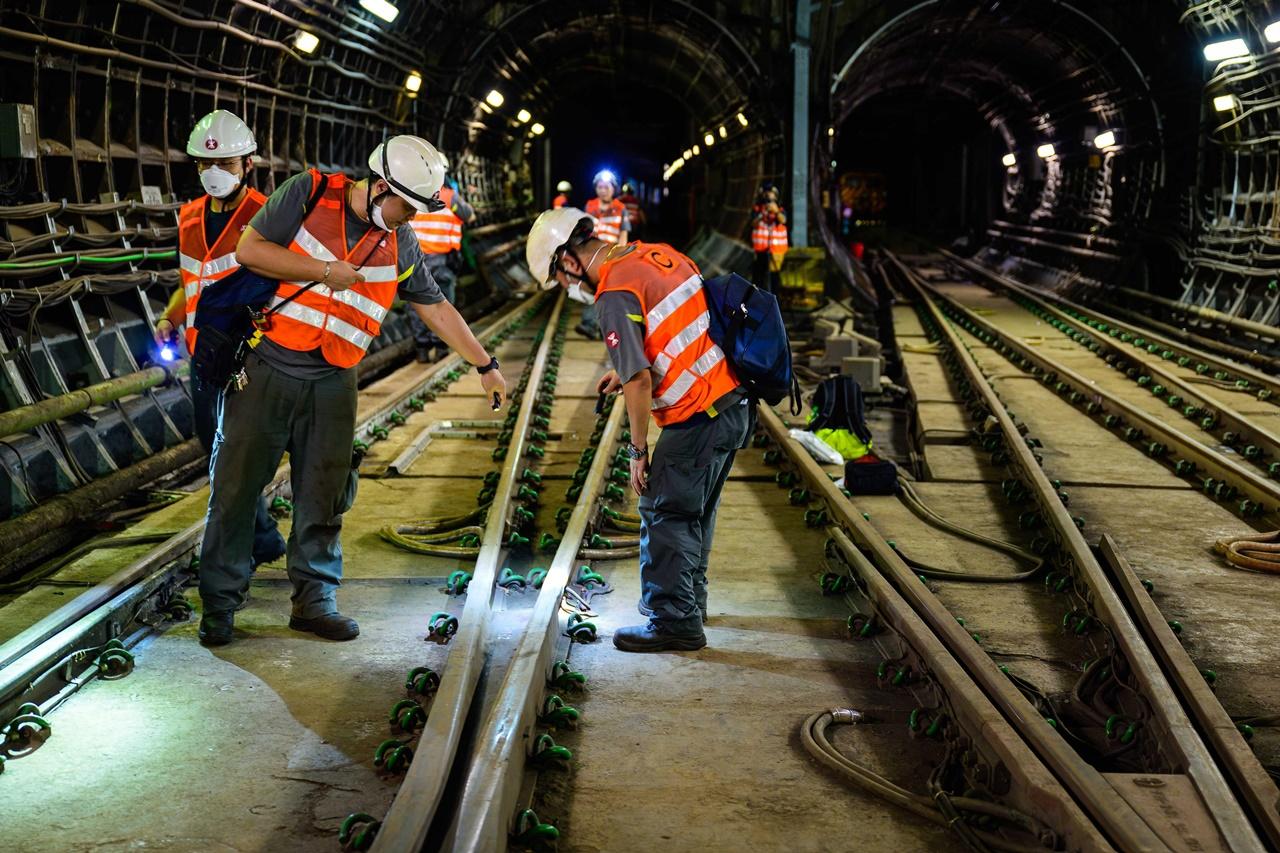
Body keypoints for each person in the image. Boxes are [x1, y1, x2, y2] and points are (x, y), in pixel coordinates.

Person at [196, 135, 507, 646]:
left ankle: (315, 600)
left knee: (324, 493)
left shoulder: (400, 240)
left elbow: (433, 305)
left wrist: (485, 364)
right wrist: (323, 271)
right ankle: (220, 605)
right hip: (268, 365)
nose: (409, 217)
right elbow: (250, 249)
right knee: (235, 489)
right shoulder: (308, 193)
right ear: (380, 186)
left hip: (334, 379)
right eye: (406, 206)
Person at [525, 208, 749, 653]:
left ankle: (674, 622)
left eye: (562, 279)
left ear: (569, 261)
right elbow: (685, 330)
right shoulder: (655, 254)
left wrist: (638, 449)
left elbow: (639, 381)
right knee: (694, 513)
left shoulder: (612, 294)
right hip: (734, 404)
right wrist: (632, 371)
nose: (568, 289)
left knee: (664, 512)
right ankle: (691, 604)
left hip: (697, 417)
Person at [154, 109, 286, 580]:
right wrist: (171, 316)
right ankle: (264, 537)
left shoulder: (268, 215)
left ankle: (245, 552)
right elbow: (191, 280)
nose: (215, 173)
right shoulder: (188, 216)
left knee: (235, 457)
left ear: (248, 163)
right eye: (206, 164)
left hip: (249, 354)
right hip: (201, 356)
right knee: (214, 447)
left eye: (227, 164)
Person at [408, 151, 476, 362]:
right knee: (442, 304)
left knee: (417, 304)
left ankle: (421, 349)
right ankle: (440, 348)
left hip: (415, 261)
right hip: (442, 261)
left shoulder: (412, 194)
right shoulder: (449, 197)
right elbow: (470, 216)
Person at [579, 170, 630, 338]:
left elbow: (623, 233)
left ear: (613, 188)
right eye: (600, 187)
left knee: (609, 293)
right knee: (591, 290)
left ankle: (605, 328)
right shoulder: (590, 206)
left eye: (606, 187)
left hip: (611, 255)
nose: (603, 190)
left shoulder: (621, 209)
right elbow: (583, 231)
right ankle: (589, 324)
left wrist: (621, 256)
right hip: (592, 256)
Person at [750, 182, 788, 293]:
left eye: (770, 194)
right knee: (759, 280)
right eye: (766, 194)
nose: (768, 197)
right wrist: (763, 214)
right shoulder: (758, 209)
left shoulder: (779, 209)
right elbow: (753, 224)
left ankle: (776, 302)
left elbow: (783, 220)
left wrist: (775, 211)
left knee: (774, 279)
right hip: (760, 251)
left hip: (776, 252)